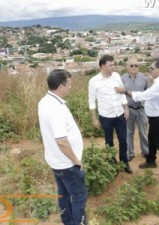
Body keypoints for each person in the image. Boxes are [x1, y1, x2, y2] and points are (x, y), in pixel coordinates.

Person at [38, 69, 87, 225]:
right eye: (69, 85)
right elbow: (61, 141)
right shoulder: (56, 108)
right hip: (67, 164)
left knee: (63, 196)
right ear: (60, 87)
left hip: (55, 161)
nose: (70, 87)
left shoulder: (44, 101)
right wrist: (76, 160)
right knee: (78, 197)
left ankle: (67, 222)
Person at [115, 58, 159, 180]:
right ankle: (151, 160)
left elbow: (144, 95)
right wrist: (152, 79)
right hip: (156, 117)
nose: (150, 70)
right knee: (151, 139)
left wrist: (125, 92)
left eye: (152, 68)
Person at [88, 54, 132, 174]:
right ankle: (112, 165)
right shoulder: (94, 81)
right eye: (110, 65)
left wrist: (126, 108)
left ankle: (124, 163)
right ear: (103, 66)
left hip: (120, 114)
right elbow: (91, 100)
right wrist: (94, 119)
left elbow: (122, 93)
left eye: (113, 64)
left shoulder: (116, 76)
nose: (113, 67)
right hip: (106, 116)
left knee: (123, 140)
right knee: (109, 142)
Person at [121, 58, 149, 161]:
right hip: (129, 109)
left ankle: (145, 151)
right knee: (129, 132)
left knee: (143, 131)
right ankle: (130, 153)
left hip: (142, 109)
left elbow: (147, 92)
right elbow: (120, 95)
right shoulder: (122, 79)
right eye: (131, 65)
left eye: (136, 65)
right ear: (127, 67)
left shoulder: (144, 78)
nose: (134, 67)